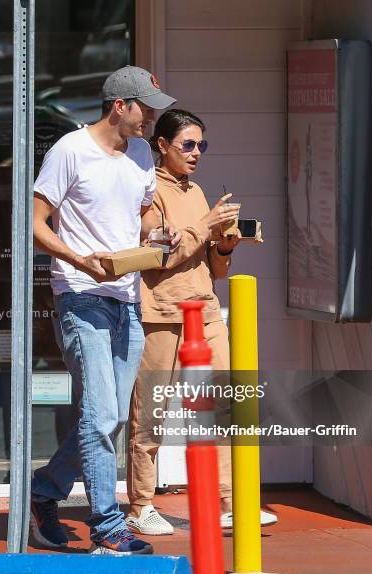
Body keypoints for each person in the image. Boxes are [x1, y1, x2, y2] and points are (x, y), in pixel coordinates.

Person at [30, 66, 176, 555]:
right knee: (100, 416)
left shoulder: (139, 154)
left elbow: (141, 218)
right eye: (146, 106)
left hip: (127, 300)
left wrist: (157, 238)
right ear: (120, 106)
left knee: (107, 418)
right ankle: (108, 526)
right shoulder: (70, 151)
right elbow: (34, 223)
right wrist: (79, 260)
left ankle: (45, 491)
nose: (152, 116)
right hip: (80, 295)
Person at [125, 109, 277, 535]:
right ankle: (140, 505)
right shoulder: (149, 191)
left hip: (205, 309)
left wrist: (224, 246)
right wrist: (204, 225)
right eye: (187, 145)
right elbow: (159, 256)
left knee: (224, 404)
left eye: (201, 145)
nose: (196, 153)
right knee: (150, 412)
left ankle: (230, 502)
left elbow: (216, 269)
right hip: (162, 313)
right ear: (162, 145)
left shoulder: (197, 191)